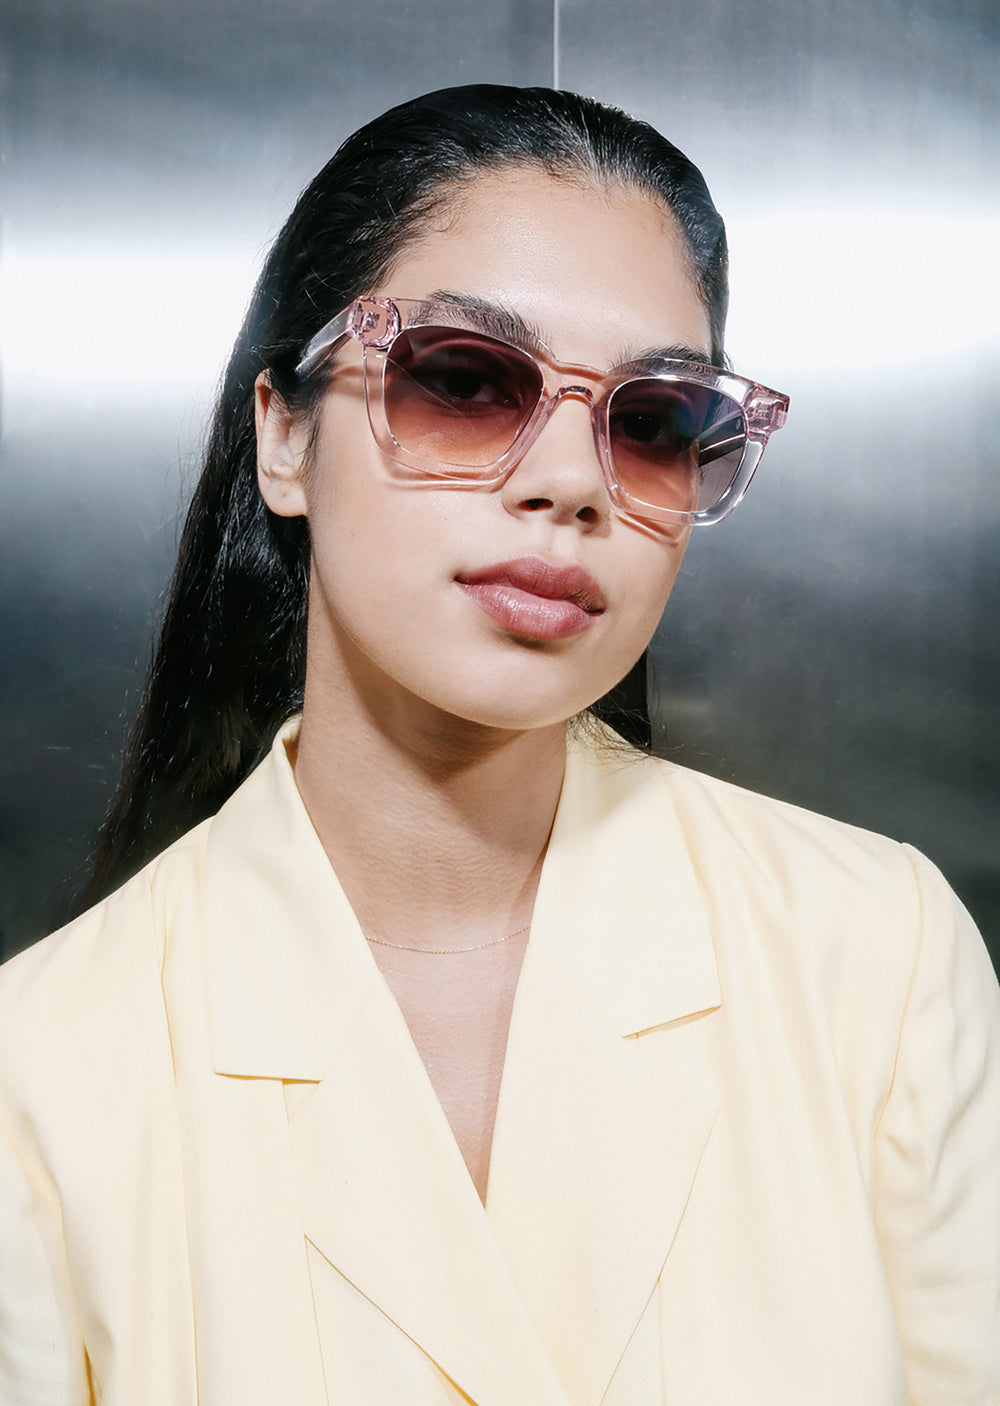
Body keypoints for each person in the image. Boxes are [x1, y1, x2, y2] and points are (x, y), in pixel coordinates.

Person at [0, 84, 997, 1406]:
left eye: (651, 421)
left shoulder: (877, 957)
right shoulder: (43, 1075)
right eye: (464, 381)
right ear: (285, 436)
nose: (573, 480)